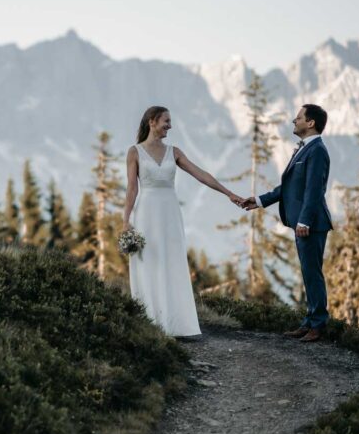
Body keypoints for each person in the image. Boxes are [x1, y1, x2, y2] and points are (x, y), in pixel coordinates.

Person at [123, 106, 245, 337]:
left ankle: (176, 323)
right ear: (152, 121)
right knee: (149, 262)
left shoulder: (174, 152)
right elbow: (132, 189)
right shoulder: (135, 152)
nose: (170, 125)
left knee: (172, 261)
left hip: (169, 213)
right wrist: (126, 221)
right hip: (146, 214)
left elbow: (202, 174)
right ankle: (151, 320)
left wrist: (228, 193)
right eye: (166, 121)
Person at [241, 104, 332, 342]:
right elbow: (289, 187)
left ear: (310, 123)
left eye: (299, 117)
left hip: (311, 224)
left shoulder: (317, 151)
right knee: (308, 272)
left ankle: (318, 325)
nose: (294, 120)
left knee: (312, 273)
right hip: (303, 223)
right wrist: (260, 200)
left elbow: (314, 190)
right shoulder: (304, 150)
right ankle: (309, 321)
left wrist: (304, 221)